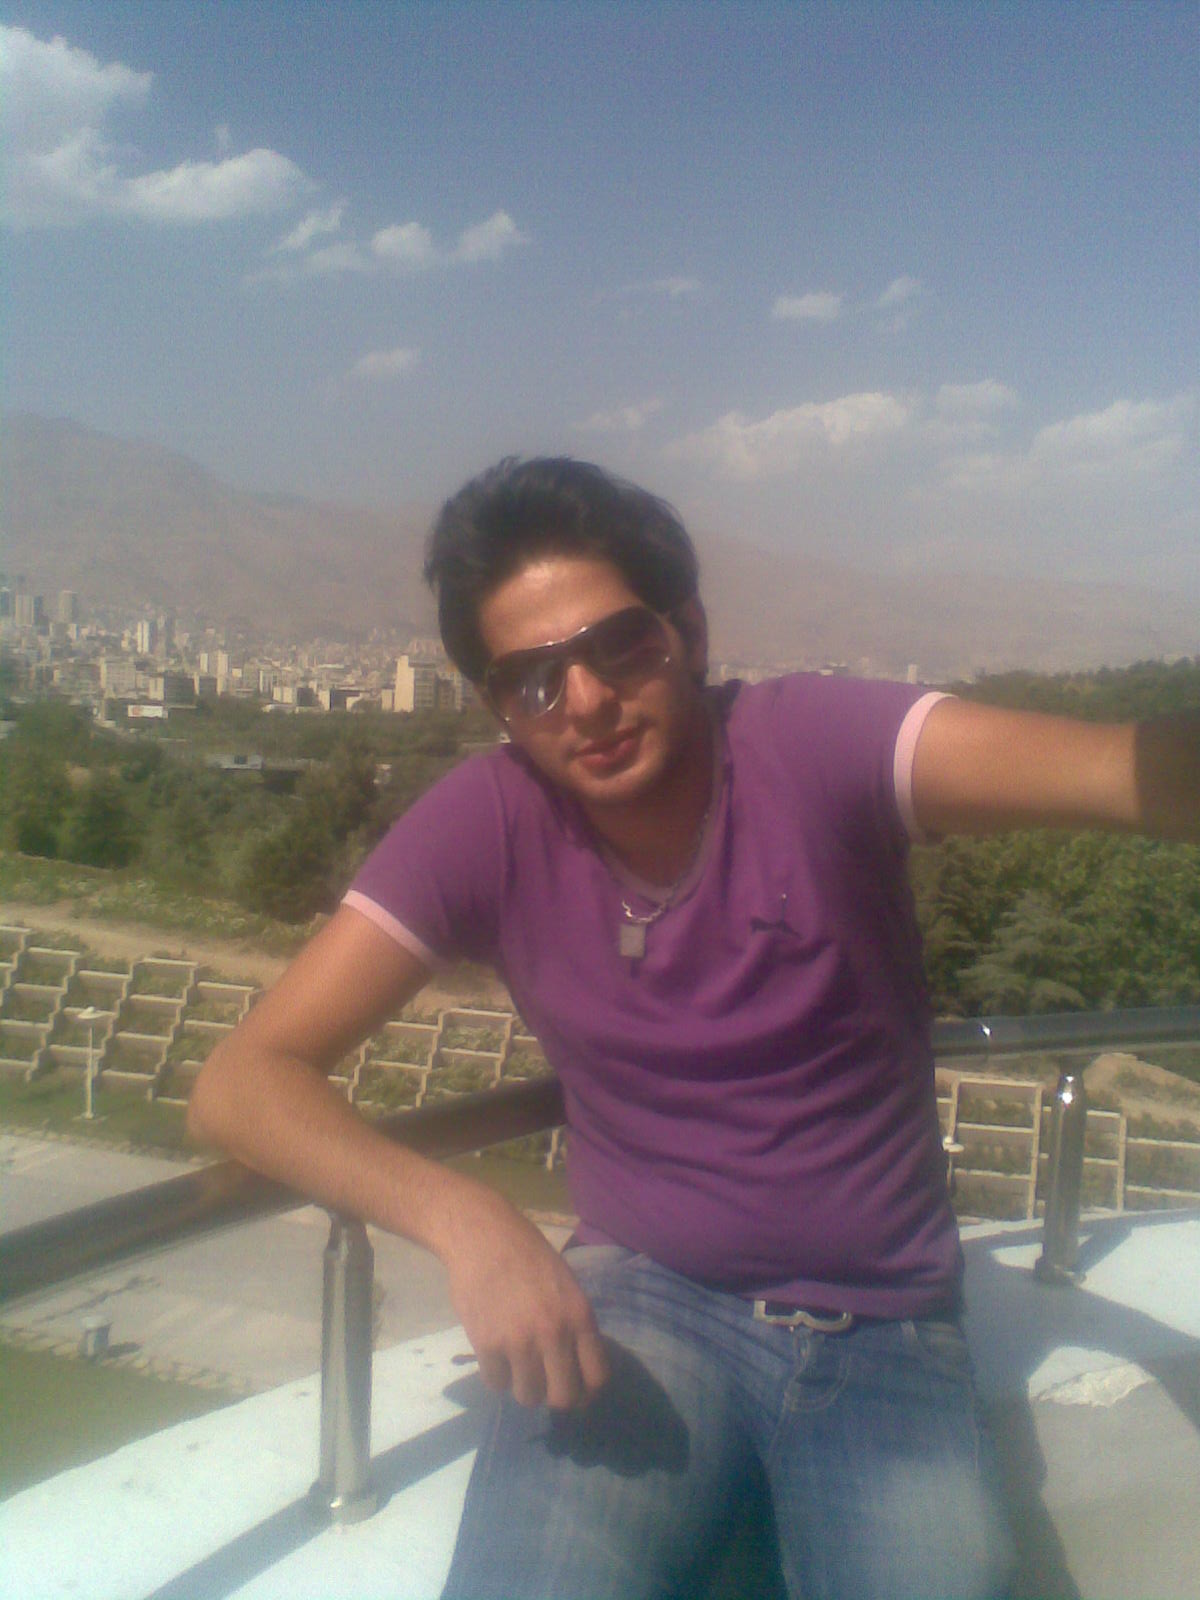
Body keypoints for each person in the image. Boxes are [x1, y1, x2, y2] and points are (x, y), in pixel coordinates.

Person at [188, 457, 1199, 1600]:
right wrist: (468, 1220)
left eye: (619, 646)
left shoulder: (813, 747)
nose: (584, 700)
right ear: (499, 708)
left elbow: (1128, 770)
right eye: (533, 679)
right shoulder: (487, 822)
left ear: (689, 633)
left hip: (886, 1334)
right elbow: (242, 1082)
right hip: (643, 1305)